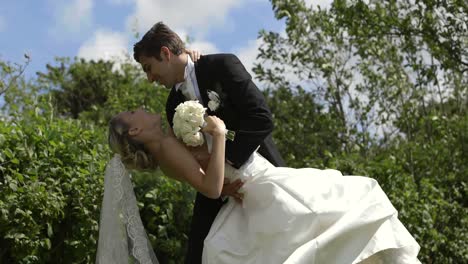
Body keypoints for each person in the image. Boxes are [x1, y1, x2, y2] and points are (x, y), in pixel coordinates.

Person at [104, 109, 421, 264]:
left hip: (246, 188)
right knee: (340, 207)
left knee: (325, 220)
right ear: (135, 128)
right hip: (257, 186)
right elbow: (210, 188)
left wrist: (224, 184)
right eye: (134, 112)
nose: (141, 109)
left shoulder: (166, 149)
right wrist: (218, 134)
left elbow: (205, 183)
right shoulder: (167, 148)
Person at [132, 21, 286, 263]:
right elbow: (190, 157)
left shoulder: (222, 65)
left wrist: (229, 162)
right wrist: (218, 183)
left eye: (149, 68)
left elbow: (261, 119)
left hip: (257, 165)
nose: (150, 78)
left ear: (165, 53)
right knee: (199, 252)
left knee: (283, 236)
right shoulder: (171, 106)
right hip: (216, 187)